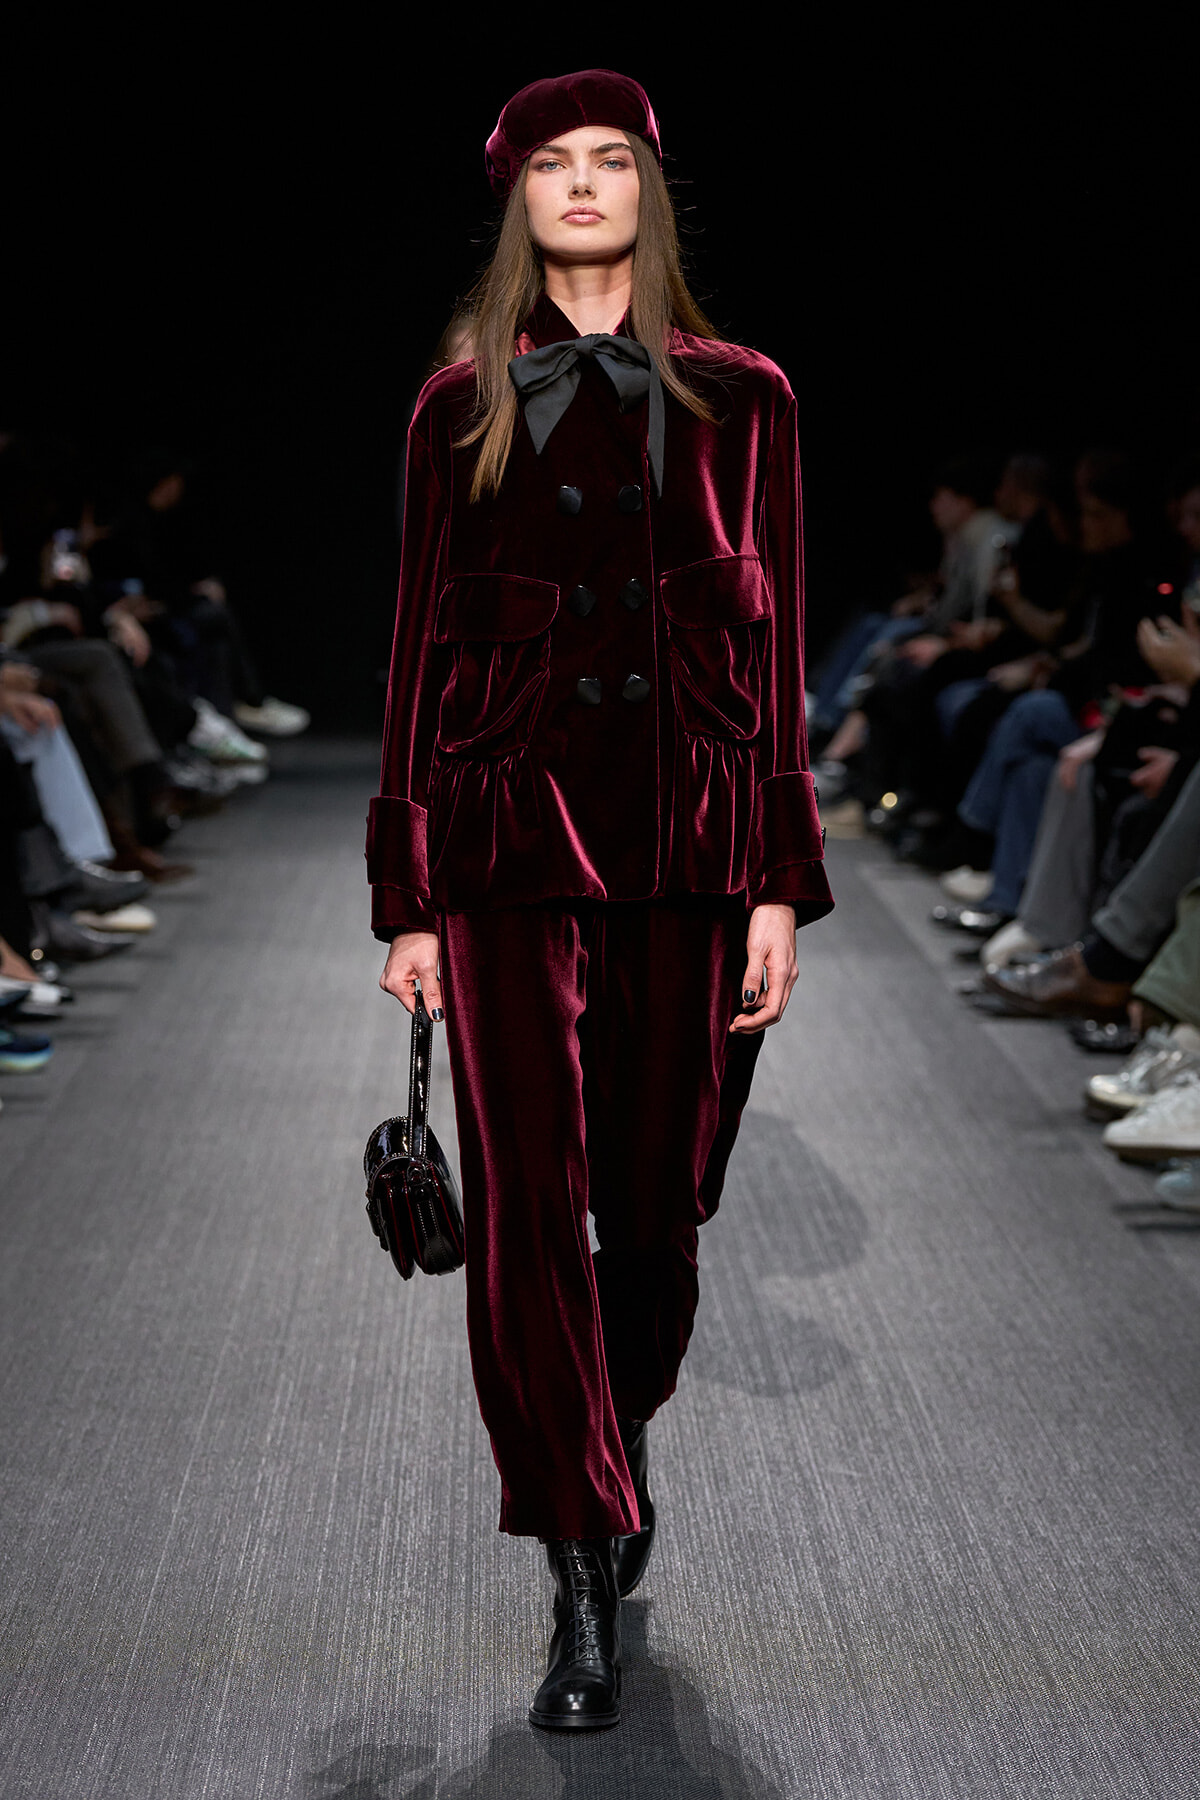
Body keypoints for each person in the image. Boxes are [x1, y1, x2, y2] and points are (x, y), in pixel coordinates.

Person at [367, 70, 832, 1733]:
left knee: (658, 1206)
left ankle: (612, 1439)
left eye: (607, 161)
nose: (580, 186)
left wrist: (783, 878)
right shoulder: (455, 407)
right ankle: (577, 1556)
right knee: (524, 1216)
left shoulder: (748, 400)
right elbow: (417, 646)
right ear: (518, 202)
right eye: (552, 166)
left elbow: (774, 656)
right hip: (502, 848)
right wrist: (405, 895)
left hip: (695, 849)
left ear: (648, 189)